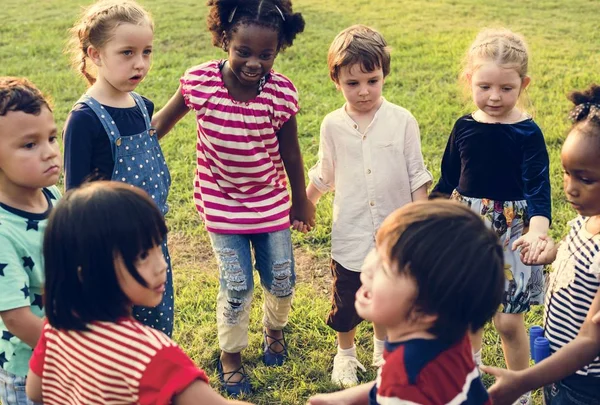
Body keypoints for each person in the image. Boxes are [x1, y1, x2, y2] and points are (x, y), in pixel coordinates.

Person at [151, 0, 314, 396]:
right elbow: (159, 126)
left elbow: (290, 152)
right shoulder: (200, 84)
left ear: (279, 49)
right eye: (243, 51)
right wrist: (129, 152)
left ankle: (273, 330)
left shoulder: (280, 93)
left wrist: (301, 199)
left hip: (271, 201)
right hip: (221, 203)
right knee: (237, 283)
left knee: (282, 279)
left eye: (266, 54)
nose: (254, 62)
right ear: (225, 39)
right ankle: (231, 355)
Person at [24, 181, 253, 405]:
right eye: (143, 255)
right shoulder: (152, 354)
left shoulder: (58, 326)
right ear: (90, 270)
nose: (161, 266)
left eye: (158, 247)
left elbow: (35, 390)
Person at [306, 24, 432, 386]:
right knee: (346, 299)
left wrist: (419, 223)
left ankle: (382, 349)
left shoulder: (402, 121)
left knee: (386, 295)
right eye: (352, 83)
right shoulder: (332, 125)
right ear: (336, 81)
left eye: (372, 81)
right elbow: (325, 173)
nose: (363, 91)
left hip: (394, 233)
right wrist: (304, 205)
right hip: (351, 232)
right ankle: (345, 354)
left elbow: (416, 176)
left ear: (384, 75)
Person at [431, 28, 551, 405]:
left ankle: (519, 392)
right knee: (469, 316)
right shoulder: (464, 127)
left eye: (506, 88)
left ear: (523, 84)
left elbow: (538, 191)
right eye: (484, 87)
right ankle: (471, 386)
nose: (494, 97)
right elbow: (448, 178)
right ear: (469, 80)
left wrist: (537, 232)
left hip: (516, 232)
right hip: (470, 228)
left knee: (509, 321)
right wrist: (427, 217)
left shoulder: (527, 133)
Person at [307, 200, 504, 404]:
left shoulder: (405, 383)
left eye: (385, 266)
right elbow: (387, 385)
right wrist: (340, 399)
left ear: (424, 310)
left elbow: (397, 387)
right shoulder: (450, 342)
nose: (367, 266)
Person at [483, 84, 600, 405]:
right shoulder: (585, 221)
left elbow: (592, 340)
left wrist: (523, 380)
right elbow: (584, 260)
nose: (571, 189)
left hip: (587, 383)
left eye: (586, 179)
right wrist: (554, 253)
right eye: (566, 174)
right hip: (560, 369)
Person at [63, 0, 174, 337]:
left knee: (156, 323)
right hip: (110, 249)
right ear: (95, 55)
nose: (140, 63)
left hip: (152, 239)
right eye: (127, 53)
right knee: (118, 333)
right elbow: (75, 199)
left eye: (146, 52)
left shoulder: (142, 106)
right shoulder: (85, 120)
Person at [0, 77, 61, 405]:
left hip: (68, 345)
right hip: (30, 368)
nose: (50, 152)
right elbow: (16, 317)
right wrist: (75, 351)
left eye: (51, 137)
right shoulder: (2, 232)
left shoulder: (51, 195)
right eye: (29, 145)